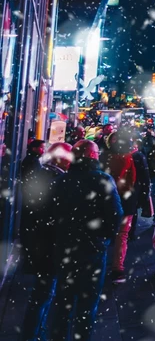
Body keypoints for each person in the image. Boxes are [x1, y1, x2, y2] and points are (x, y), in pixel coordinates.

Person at [50, 141, 124, 341]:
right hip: (91, 249)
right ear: (92, 155)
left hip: (65, 248)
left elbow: (50, 213)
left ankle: (58, 336)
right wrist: (103, 238)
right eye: (97, 152)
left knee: (62, 301)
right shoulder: (102, 180)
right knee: (87, 303)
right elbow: (116, 214)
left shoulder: (62, 180)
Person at [20, 142, 71, 340]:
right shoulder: (56, 179)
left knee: (42, 293)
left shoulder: (41, 175)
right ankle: (31, 334)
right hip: (48, 246)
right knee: (43, 295)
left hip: (38, 243)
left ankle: (32, 332)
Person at [105, 132, 137, 284]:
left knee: (107, 233)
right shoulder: (131, 157)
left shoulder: (104, 157)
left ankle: (103, 265)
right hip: (124, 199)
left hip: (107, 198)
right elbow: (135, 180)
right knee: (122, 234)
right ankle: (117, 268)